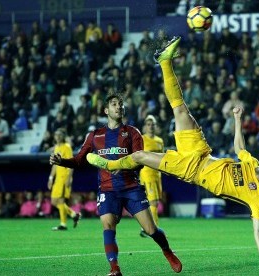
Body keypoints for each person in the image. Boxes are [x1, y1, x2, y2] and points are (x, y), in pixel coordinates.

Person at [86, 36, 259, 275]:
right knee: (180, 108)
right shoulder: (252, 163)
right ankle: (164, 61)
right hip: (201, 151)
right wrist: (237, 120)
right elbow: (239, 148)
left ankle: (110, 164)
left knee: (139, 156)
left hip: (191, 170)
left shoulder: (257, 197)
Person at [49, 94, 182, 275]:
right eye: (114, 104)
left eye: (120, 104)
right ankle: (114, 269)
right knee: (108, 225)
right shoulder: (95, 136)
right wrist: (61, 161)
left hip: (131, 187)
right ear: (106, 110)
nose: (118, 107)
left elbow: (140, 160)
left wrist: (123, 165)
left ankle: (167, 251)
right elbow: (80, 160)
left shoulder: (133, 132)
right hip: (108, 189)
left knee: (150, 229)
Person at [47, 128, 81, 231]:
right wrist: (51, 178)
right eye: (56, 134)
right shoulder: (56, 147)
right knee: (54, 202)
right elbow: (54, 165)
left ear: (63, 137)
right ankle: (74, 214)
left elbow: (71, 164)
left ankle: (63, 224)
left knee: (61, 200)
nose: (57, 136)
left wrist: (69, 178)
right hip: (57, 178)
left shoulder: (67, 147)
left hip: (64, 177)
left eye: (60, 135)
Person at [139, 114, 165, 237]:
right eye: (148, 124)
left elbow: (162, 158)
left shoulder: (160, 141)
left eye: (153, 124)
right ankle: (153, 229)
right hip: (147, 173)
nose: (151, 127)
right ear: (145, 126)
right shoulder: (141, 139)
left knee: (155, 202)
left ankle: (147, 227)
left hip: (157, 174)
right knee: (153, 201)